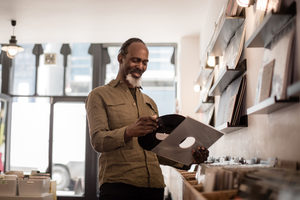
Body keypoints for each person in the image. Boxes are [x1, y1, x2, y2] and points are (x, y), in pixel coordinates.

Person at [85, 38, 209, 200]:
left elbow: (155, 151)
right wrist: (129, 131)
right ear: (120, 58)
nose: (141, 67)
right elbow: (98, 141)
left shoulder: (149, 103)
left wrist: (189, 158)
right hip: (119, 188)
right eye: (136, 60)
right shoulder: (98, 95)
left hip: (154, 188)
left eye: (145, 62)